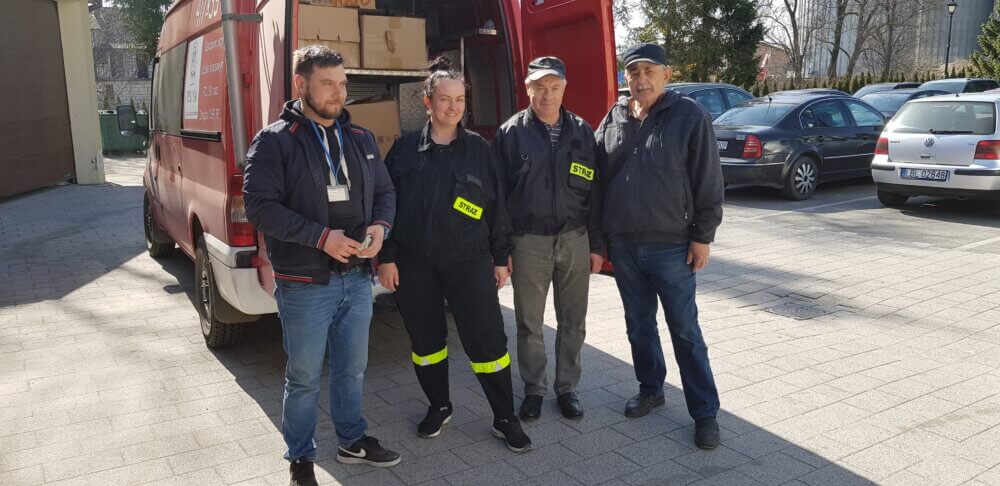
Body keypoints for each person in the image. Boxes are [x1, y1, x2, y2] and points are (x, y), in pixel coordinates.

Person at [243, 45, 401, 486]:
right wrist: (321, 237)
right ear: (301, 84)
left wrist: (380, 228)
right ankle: (300, 459)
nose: (339, 93)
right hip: (305, 283)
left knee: (352, 369)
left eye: (343, 83)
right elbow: (260, 207)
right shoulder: (274, 141)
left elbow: (385, 192)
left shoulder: (361, 139)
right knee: (304, 377)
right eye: (328, 83)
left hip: (357, 279)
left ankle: (351, 441)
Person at [377, 57, 532, 452]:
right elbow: (386, 205)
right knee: (426, 341)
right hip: (415, 263)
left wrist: (501, 258)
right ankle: (439, 406)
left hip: (469, 261)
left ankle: (505, 417)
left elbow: (497, 208)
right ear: (427, 101)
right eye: (445, 99)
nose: (453, 107)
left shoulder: (480, 149)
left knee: (487, 341)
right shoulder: (405, 149)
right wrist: (387, 257)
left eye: (460, 99)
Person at [595, 43, 725, 450]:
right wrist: (599, 240)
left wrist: (702, 236)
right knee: (638, 325)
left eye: (649, 70)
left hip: (672, 246)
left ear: (666, 75)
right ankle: (651, 389)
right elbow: (597, 181)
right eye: (634, 71)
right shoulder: (614, 117)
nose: (641, 78)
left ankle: (704, 412)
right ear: (626, 77)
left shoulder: (689, 116)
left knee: (685, 330)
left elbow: (709, 179)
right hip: (624, 246)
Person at [492, 56, 603, 421]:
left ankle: (567, 387)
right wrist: (501, 250)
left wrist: (596, 245)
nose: (547, 95)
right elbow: (497, 198)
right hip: (528, 242)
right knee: (530, 323)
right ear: (528, 89)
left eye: (555, 87)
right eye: (540, 87)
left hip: (574, 239)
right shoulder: (510, 134)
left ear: (564, 88)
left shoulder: (582, 131)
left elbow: (596, 192)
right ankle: (534, 389)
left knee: (574, 320)